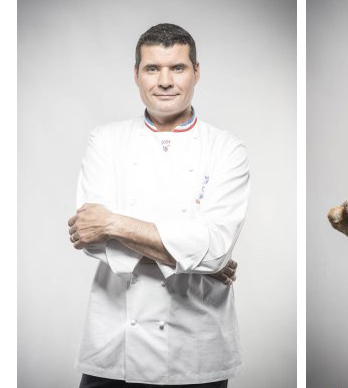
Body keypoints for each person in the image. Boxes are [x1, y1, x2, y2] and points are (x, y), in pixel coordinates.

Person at [67, 23, 249, 388]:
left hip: (195, 349)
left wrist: (113, 224)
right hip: (115, 347)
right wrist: (194, 260)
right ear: (136, 74)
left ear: (197, 72)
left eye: (177, 68)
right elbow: (90, 235)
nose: (165, 81)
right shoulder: (105, 140)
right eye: (152, 68)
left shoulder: (227, 149)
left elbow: (214, 250)